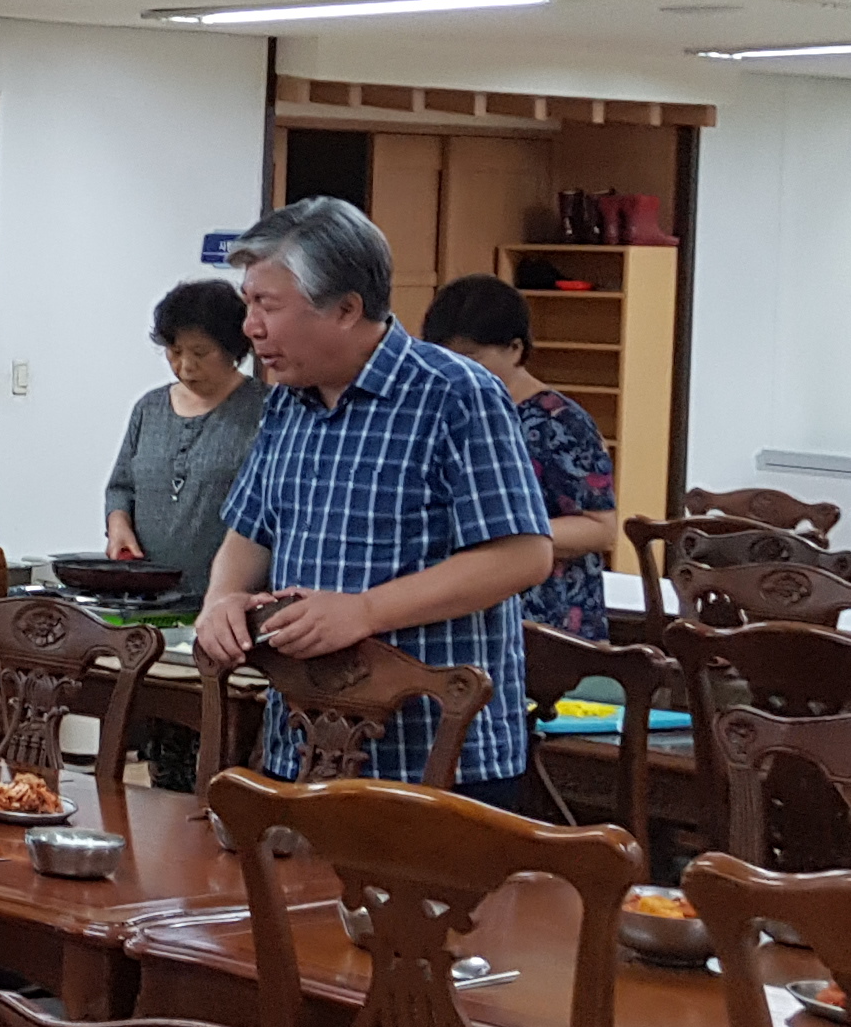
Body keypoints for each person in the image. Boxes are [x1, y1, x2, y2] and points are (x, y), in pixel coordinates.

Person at [193, 200, 557, 810]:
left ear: (346, 309)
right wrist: (222, 600)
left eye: (268, 306)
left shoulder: (455, 394)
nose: (251, 327)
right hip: (304, 743)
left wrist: (365, 611)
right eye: (248, 304)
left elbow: (521, 556)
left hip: (438, 761)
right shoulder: (287, 401)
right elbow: (250, 532)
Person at [421, 273, 622, 639]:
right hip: (457, 602)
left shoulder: (562, 422)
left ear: (515, 349)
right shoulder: (438, 412)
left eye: (470, 357)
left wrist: (505, 536)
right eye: (441, 357)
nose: (453, 370)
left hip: (545, 615)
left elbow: (600, 528)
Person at [103, 279, 269, 586]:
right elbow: (121, 487)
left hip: (230, 594)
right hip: (145, 591)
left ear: (233, 348)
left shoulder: (265, 409)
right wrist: (118, 526)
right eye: (175, 351)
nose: (186, 366)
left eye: (200, 353)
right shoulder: (149, 408)